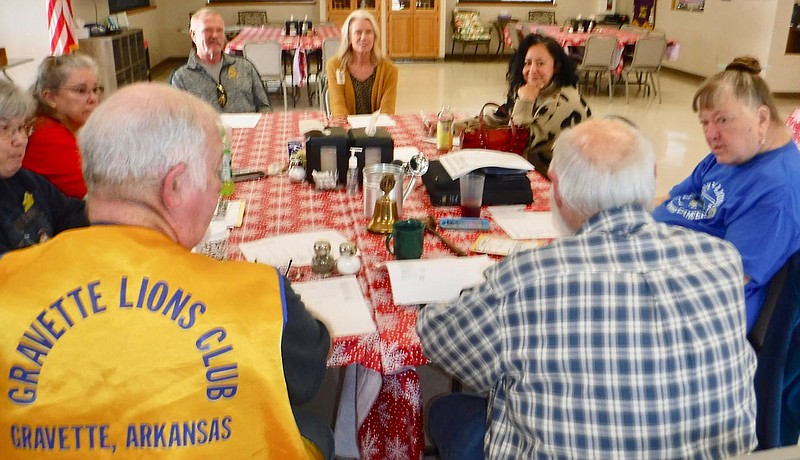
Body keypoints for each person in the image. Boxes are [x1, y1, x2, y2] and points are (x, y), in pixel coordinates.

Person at [0, 83, 333, 459]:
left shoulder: (7, 282)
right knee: (315, 429)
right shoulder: (259, 295)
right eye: (213, 173)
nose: (217, 187)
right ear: (174, 187)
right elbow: (307, 377)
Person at [418, 118, 758, 459]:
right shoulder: (723, 261)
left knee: (449, 409)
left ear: (556, 187)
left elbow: (438, 336)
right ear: (654, 174)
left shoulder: (528, 277)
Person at [653, 56, 800, 332]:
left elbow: (726, 281)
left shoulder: (777, 190)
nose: (711, 134)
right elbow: (669, 201)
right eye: (705, 122)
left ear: (762, 118)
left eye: (722, 120)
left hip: (693, 316)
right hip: (657, 262)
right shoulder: (731, 154)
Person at [481, 33, 592, 177]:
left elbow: (518, 143)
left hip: (568, 185)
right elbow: (501, 117)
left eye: (540, 63)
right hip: (542, 172)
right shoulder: (539, 89)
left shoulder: (560, 102)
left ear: (556, 67)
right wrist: (461, 126)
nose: (532, 70)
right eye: (528, 63)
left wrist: (525, 101)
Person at [0, 79, 87, 255]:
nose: (20, 140)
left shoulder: (25, 180)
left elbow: (70, 213)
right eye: (5, 129)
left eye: (21, 128)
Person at [24, 53, 101, 198]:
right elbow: (92, 195)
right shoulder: (47, 135)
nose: (93, 98)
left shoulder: (71, 126)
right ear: (50, 97)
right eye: (81, 90)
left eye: (95, 89)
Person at [170, 8, 271, 113]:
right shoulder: (181, 78)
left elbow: (264, 107)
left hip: (248, 129)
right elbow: (178, 121)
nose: (215, 35)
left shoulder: (245, 67)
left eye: (219, 30)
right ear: (193, 35)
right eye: (208, 30)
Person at [325, 10, 397, 119]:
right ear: (349, 38)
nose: (363, 37)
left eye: (368, 32)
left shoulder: (389, 70)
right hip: (347, 131)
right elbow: (338, 108)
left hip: (378, 131)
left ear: (374, 37)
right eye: (358, 32)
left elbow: (387, 112)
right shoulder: (334, 66)